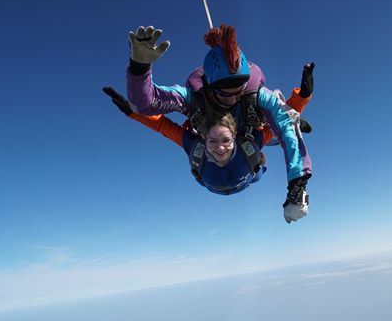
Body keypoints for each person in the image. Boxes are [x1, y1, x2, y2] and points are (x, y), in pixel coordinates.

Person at [121, 24, 313, 222]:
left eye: (239, 91)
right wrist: (139, 68)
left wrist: (297, 187)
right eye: (224, 93)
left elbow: (285, 126)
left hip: (244, 138)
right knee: (264, 135)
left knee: (273, 127)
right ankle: (278, 124)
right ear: (209, 85)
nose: (232, 99)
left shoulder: (256, 96)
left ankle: (281, 123)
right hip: (241, 149)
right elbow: (146, 104)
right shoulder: (193, 98)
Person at [103, 78, 312, 222]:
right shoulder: (198, 147)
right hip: (240, 174)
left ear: (234, 138)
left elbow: (282, 125)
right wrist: (133, 111)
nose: (219, 148)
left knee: (266, 133)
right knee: (262, 136)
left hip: (246, 174)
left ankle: (273, 125)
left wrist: (301, 98)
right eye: (212, 141)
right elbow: (163, 126)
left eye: (225, 140)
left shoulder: (241, 147)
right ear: (204, 139)